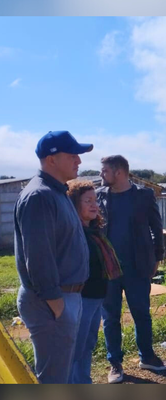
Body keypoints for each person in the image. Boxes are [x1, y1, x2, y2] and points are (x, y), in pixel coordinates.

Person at [14, 130, 93, 384]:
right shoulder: (39, 196)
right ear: (51, 160)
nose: (78, 161)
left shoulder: (57, 192)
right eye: (72, 155)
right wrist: (57, 305)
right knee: (53, 380)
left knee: (61, 374)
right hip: (51, 301)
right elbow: (38, 258)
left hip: (66, 297)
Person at [97, 155, 166, 384]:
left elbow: (156, 226)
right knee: (110, 317)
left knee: (141, 314)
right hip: (108, 269)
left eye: (104, 171)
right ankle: (115, 363)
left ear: (119, 172)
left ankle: (147, 357)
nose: (101, 175)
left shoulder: (143, 195)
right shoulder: (99, 196)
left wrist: (158, 256)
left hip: (137, 267)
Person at [67, 180, 123, 384]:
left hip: (97, 297)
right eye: (87, 201)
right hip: (81, 298)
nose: (94, 205)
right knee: (76, 347)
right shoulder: (73, 232)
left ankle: (83, 382)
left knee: (88, 344)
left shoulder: (94, 231)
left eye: (95, 200)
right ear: (74, 204)